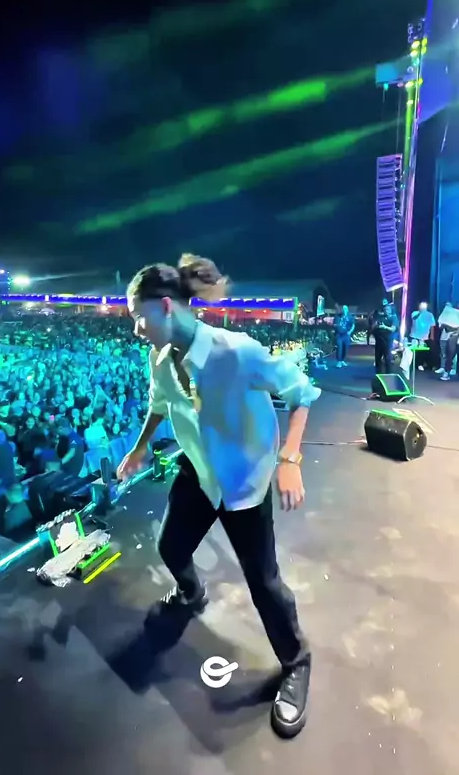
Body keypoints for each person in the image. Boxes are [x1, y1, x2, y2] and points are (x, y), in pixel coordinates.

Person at [117, 253, 321, 740]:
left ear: (166, 307)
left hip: (244, 483)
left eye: (139, 317)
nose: (136, 329)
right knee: (171, 546)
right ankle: (192, 592)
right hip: (199, 473)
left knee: (264, 583)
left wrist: (290, 460)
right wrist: (139, 448)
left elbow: (301, 393)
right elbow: (160, 405)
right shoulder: (160, 359)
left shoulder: (237, 352)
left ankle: (297, 662)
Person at [372, 299, 398, 374]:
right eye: (385, 309)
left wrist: (385, 327)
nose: (386, 311)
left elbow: (393, 329)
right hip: (379, 340)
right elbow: (374, 326)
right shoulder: (380, 317)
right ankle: (378, 374)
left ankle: (388, 374)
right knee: (377, 358)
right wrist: (375, 325)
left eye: (388, 309)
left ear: (390, 310)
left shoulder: (393, 318)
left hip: (388, 340)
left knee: (387, 358)